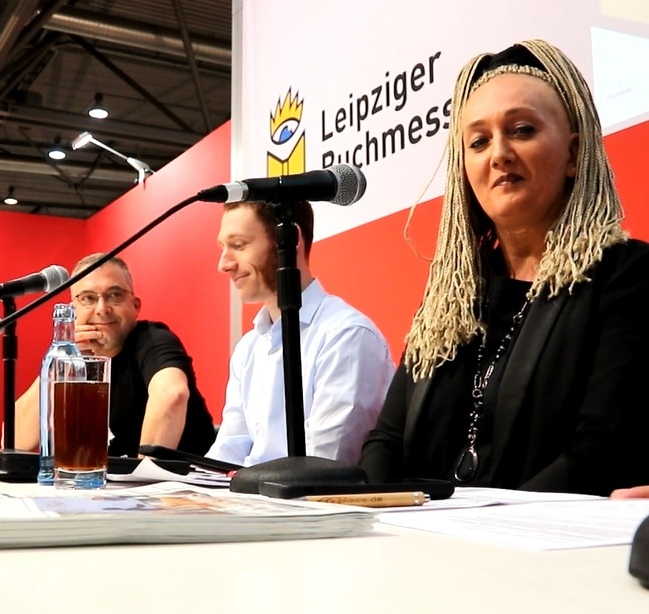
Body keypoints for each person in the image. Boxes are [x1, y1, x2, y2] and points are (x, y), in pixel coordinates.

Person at [359, 39, 649, 496]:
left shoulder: (626, 275)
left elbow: (598, 452)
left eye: (522, 130)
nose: (498, 154)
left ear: (574, 154)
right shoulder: (450, 302)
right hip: (419, 536)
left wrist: (481, 529)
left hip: (543, 537)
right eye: (478, 141)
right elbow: (387, 441)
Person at [206, 200, 394, 466]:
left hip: (307, 493)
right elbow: (225, 457)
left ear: (290, 240)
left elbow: (325, 468)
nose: (224, 264)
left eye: (238, 245)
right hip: (253, 491)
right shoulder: (248, 348)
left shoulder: (346, 336)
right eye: (222, 248)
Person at [14, 253, 217, 456]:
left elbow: (172, 394)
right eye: (88, 298)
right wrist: (60, 365)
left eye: (114, 295)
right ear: (72, 310)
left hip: (179, 475)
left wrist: (142, 472)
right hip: (103, 475)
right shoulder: (70, 361)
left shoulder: (153, 339)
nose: (102, 309)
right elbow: (15, 440)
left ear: (135, 306)